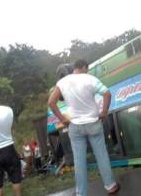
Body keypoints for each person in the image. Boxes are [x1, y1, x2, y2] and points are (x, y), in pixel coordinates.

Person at [48, 59, 120, 196]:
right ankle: (110, 186)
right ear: (83, 67)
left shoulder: (62, 82)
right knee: (101, 156)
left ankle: (81, 193)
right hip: (93, 123)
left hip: (75, 126)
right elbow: (107, 93)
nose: (87, 71)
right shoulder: (90, 79)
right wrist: (104, 112)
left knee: (79, 160)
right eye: (87, 69)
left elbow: (51, 102)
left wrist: (63, 119)